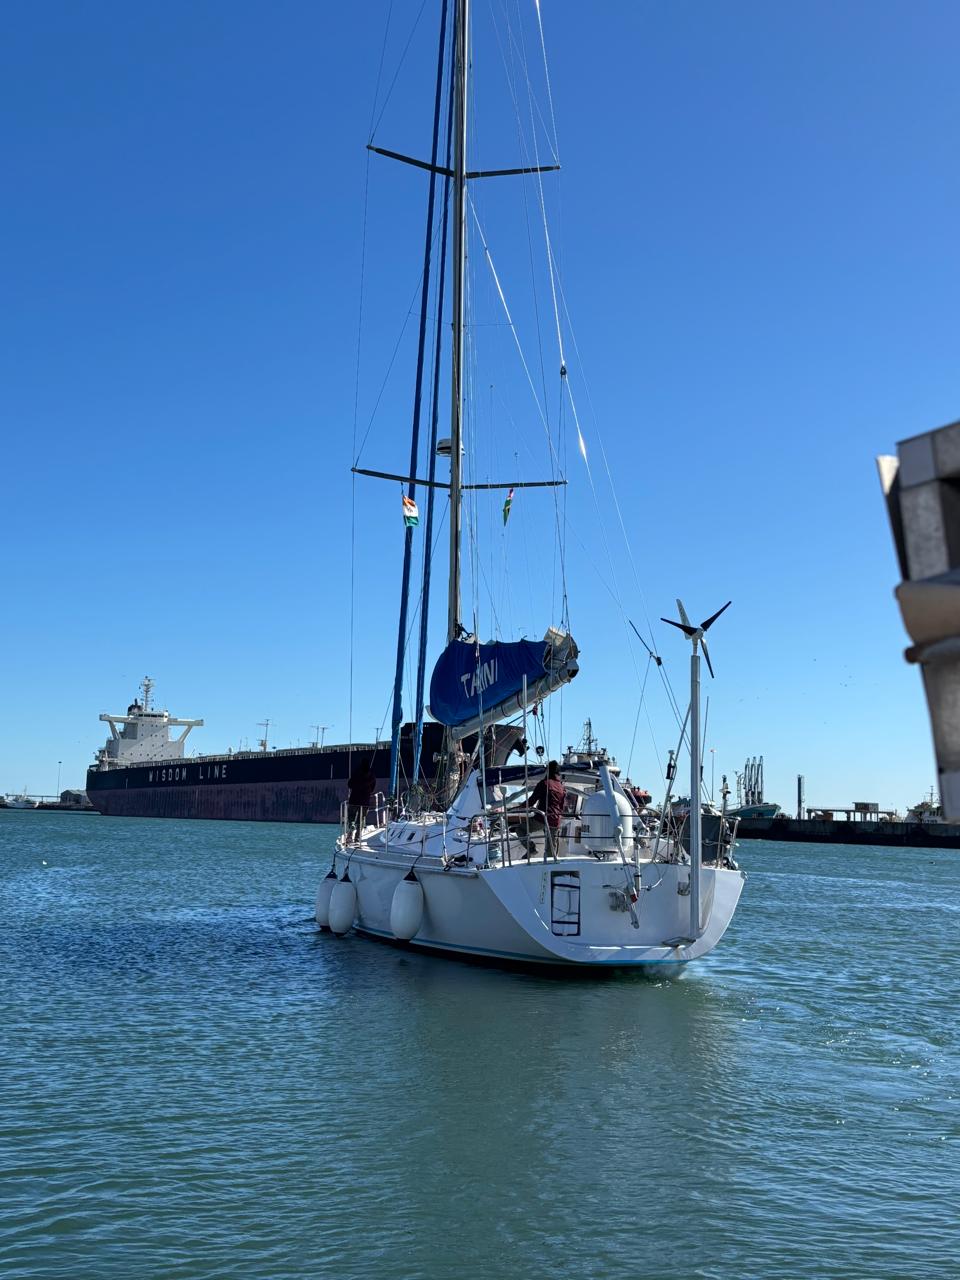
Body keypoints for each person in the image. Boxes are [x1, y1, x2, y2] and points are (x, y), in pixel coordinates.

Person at [529, 760, 566, 858]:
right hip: (555, 819)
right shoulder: (562, 787)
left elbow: (532, 801)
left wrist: (520, 807)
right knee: (551, 849)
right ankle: (552, 866)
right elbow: (561, 806)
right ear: (558, 773)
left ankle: (532, 848)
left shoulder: (544, 783)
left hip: (542, 818)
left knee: (520, 829)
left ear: (548, 771)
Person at [346, 756, 377, 843]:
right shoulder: (372, 775)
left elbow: (350, 784)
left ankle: (350, 834)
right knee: (362, 819)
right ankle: (357, 838)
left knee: (351, 817)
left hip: (354, 800)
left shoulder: (356, 772)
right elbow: (373, 788)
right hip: (365, 801)